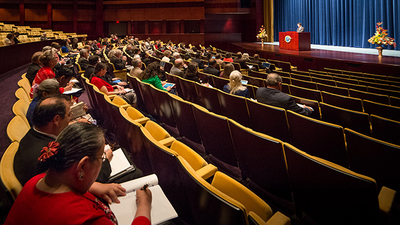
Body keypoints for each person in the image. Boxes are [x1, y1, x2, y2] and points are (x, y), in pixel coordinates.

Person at [6, 123, 152, 225]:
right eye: (101, 157)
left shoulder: (37, 180)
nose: (103, 160)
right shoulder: (87, 219)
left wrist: (93, 187)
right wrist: (144, 206)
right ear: (83, 165)